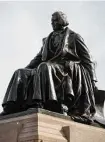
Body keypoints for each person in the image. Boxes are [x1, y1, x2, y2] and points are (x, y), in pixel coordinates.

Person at [1, 11, 97, 124]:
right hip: (49, 67)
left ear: (62, 21)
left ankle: (42, 103)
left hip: (66, 68)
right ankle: (12, 106)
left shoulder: (74, 37)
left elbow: (87, 59)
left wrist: (92, 80)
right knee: (20, 72)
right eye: (52, 21)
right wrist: (27, 70)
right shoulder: (47, 39)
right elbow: (38, 58)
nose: (53, 23)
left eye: (55, 20)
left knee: (44, 66)